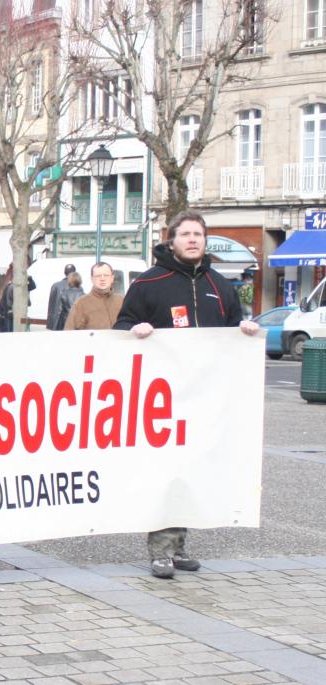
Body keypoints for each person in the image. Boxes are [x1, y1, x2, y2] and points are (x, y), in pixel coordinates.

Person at [113, 211, 260, 579]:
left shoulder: (219, 285)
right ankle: (160, 551)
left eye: (199, 234)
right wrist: (135, 329)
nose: (193, 239)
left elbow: (232, 328)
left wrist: (244, 332)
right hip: (162, 399)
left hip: (205, 397)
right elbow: (122, 326)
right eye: (186, 234)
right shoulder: (149, 283)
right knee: (167, 472)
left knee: (192, 472)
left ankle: (178, 547)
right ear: (172, 240)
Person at [65, 262, 123, 331]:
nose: (102, 278)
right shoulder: (81, 304)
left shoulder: (122, 301)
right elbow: (69, 332)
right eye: (98, 276)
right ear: (92, 279)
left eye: (106, 275)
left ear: (112, 278)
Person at [46, 263, 77, 330]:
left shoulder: (56, 286)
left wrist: (51, 325)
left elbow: (51, 307)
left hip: (58, 323)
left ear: (64, 273)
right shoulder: (78, 287)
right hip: (72, 323)